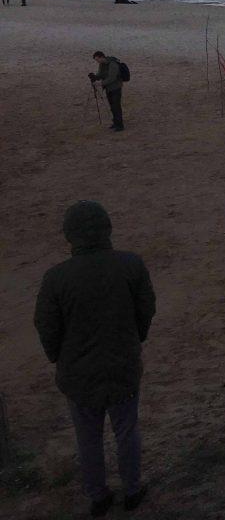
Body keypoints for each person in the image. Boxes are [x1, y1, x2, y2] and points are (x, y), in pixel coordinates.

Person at [34, 201, 156, 517]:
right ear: (107, 229)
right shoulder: (131, 265)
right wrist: (134, 339)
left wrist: (58, 357)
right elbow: (146, 309)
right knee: (127, 431)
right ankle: (132, 489)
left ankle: (97, 496)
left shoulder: (56, 277)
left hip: (78, 373)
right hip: (122, 366)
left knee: (88, 438)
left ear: (69, 235)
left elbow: (46, 326)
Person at [89, 51, 126, 132]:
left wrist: (100, 83)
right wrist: (94, 77)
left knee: (116, 107)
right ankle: (115, 123)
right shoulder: (102, 64)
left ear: (102, 57)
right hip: (108, 88)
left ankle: (120, 125)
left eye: (97, 59)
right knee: (112, 107)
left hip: (116, 87)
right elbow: (100, 74)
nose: (97, 61)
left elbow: (112, 78)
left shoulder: (113, 64)